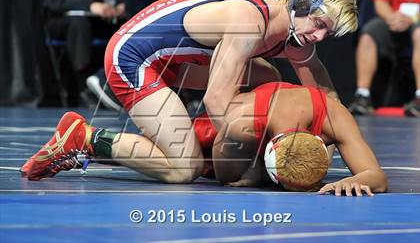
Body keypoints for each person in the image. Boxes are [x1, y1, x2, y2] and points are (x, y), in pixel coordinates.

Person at [24, 0, 360, 184]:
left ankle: (200, 143)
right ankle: (83, 138)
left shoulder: (296, 37)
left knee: (267, 79)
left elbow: (328, 102)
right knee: (184, 169)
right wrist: (260, 159)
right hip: (133, 57)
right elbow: (216, 102)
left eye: (326, 34)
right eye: (318, 25)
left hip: (176, 59)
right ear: (302, 1)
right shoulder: (252, 23)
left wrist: (323, 145)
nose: (318, 37)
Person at [20, 81, 388, 196]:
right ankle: (87, 137)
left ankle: (87, 147)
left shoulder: (334, 114)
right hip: (211, 133)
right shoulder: (252, 124)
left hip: (241, 140)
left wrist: (352, 182)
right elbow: (231, 177)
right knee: (185, 170)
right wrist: (259, 177)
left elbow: (376, 175)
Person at [39, 0, 126, 102]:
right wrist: (89, 6)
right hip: (65, 18)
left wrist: (118, 5)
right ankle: (85, 87)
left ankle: (119, 81)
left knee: (129, 25)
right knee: (79, 25)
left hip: (100, 16)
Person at [348, 0, 420, 117]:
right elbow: (380, 2)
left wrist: (412, 19)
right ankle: (362, 96)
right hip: (393, 17)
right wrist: (393, 17)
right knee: (368, 34)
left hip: (417, 20)